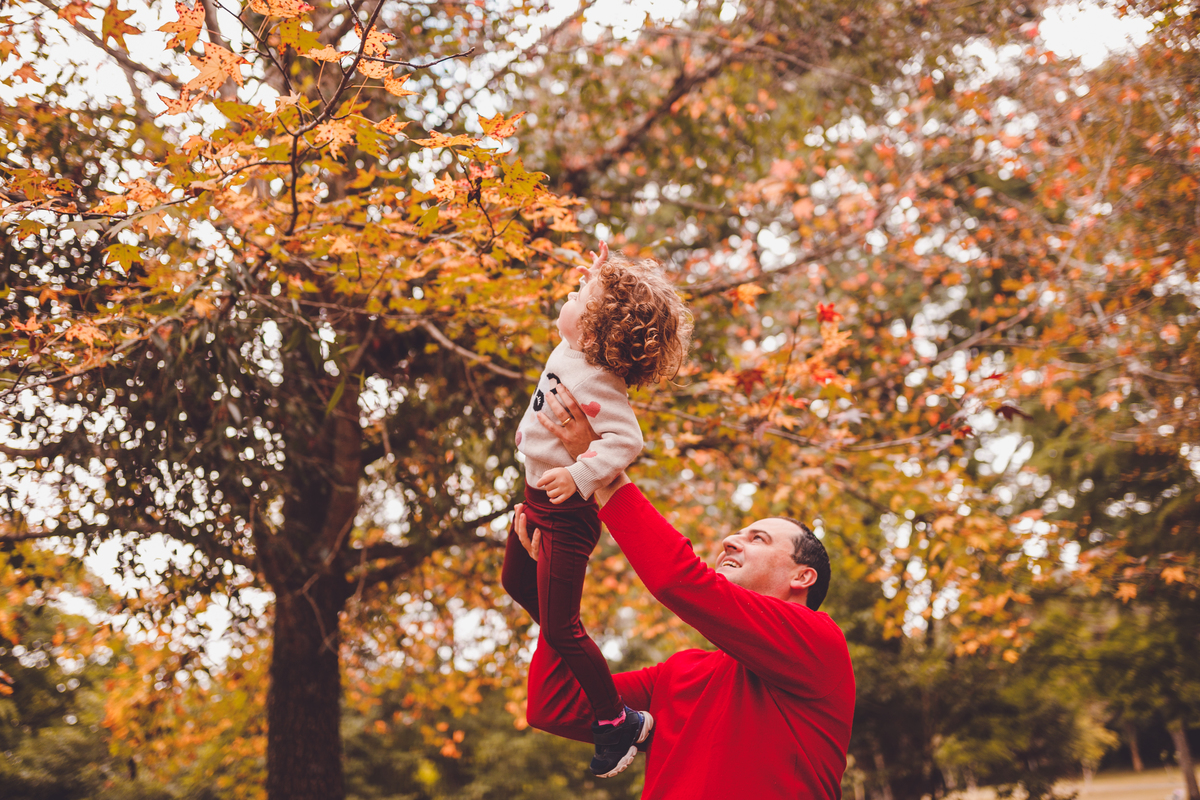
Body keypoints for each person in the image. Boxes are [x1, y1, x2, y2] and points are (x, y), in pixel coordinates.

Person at [512, 385, 856, 799]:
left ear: (803, 577)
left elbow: (680, 580)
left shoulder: (819, 645)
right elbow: (554, 705)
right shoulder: (677, 676)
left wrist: (600, 465)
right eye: (738, 533)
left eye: (759, 539)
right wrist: (557, 585)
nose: (730, 540)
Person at [500, 242, 693, 777]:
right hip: (538, 497)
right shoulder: (572, 345)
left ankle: (617, 722)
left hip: (568, 514)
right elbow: (592, 311)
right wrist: (603, 272)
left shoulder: (598, 382)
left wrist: (581, 473)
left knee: (562, 629)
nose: (572, 289)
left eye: (580, 293)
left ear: (593, 331)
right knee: (516, 584)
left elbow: (625, 441)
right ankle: (570, 641)